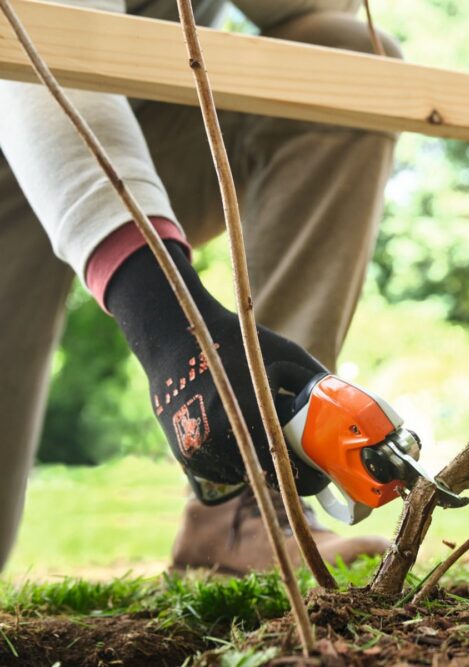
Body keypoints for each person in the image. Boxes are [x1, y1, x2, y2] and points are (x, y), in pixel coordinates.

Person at [0, 0, 401, 574]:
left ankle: (250, 500)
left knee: (350, 59)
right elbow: (38, 30)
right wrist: (173, 330)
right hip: (20, 113)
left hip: (145, 128)